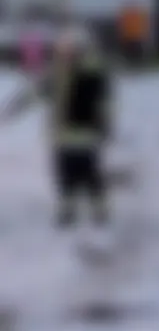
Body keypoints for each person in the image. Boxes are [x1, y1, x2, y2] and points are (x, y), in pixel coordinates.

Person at [2, 27, 113, 227]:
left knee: (89, 173)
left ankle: (98, 209)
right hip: (63, 134)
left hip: (85, 133)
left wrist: (105, 125)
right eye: (64, 50)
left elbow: (104, 103)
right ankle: (69, 209)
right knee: (65, 173)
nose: (65, 54)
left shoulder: (92, 73)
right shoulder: (61, 72)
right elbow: (36, 92)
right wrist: (13, 108)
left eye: (69, 50)